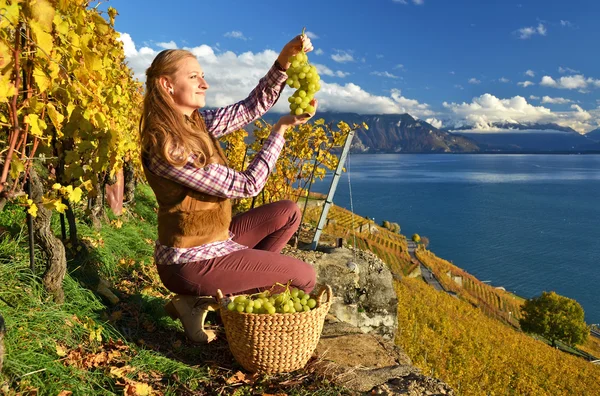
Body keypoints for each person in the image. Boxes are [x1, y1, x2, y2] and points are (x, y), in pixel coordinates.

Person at [139, 35, 318, 343]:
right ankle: (237, 310)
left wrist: (284, 61)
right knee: (305, 278)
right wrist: (281, 130)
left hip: (214, 241)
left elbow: (251, 107)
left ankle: (220, 298)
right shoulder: (169, 146)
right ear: (168, 85)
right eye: (194, 77)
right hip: (189, 262)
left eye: (203, 76)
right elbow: (249, 184)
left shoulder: (194, 123)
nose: (204, 84)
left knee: (288, 212)